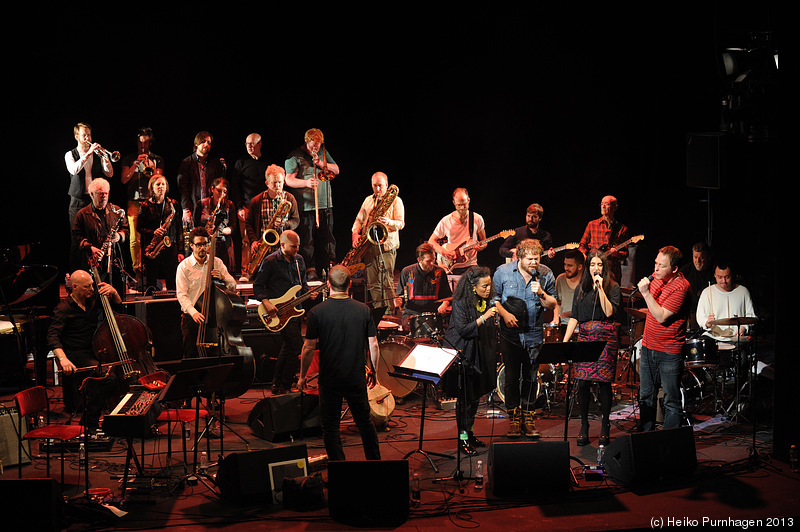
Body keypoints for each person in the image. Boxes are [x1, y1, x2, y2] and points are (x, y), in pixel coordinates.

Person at [298, 265, 381, 461]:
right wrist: (374, 371)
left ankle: (340, 470)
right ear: (350, 284)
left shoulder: (317, 312)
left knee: (331, 428)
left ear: (328, 285)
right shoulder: (363, 310)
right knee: (364, 423)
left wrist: (302, 376)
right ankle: (376, 465)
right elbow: (374, 345)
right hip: (355, 377)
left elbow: (308, 348)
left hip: (330, 380)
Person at [493, 238, 557, 438]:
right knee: (512, 376)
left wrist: (542, 294)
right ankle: (513, 418)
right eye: (529, 259)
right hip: (510, 334)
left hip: (533, 334)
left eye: (536, 258)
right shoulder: (502, 272)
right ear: (519, 257)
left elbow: (553, 304)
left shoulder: (545, 274)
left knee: (530, 377)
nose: (533, 263)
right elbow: (494, 301)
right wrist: (504, 314)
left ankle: (528, 418)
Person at [47, 270, 122, 432]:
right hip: (76, 355)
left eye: (92, 285)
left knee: (115, 374)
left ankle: (116, 420)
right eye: (87, 286)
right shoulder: (63, 308)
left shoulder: (92, 300)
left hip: (95, 350)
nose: (91, 289)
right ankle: (90, 422)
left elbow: (117, 308)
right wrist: (63, 359)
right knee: (106, 378)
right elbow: (53, 336)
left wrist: (114, 293)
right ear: (74, 287)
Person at [562, 251, 621, 446]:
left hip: (605, 339)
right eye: (593, 264)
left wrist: (600, 289)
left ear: (605, 267)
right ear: (588, 267)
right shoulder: (581, 288)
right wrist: (565, 341)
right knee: (583, 383)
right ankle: (584, 425)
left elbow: (609, 311)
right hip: (586, 337)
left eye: (600, 265)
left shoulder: (613, 287)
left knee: (604, 383)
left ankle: (605, 425)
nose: (596, 268)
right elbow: (575, 316)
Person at [442, 266, 498, 455]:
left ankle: (470, 432)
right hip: (464, 354)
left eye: (489, 285)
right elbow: (464, 330)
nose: (488, 289)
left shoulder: (486, 302)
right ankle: (462, 438)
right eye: (484, 286)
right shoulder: (460, 303)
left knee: (474, 398)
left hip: (479, 353)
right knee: (464, 400)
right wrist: (484, 318)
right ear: (473, 286)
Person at [636, 245, 692, 431]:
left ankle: (668, 444)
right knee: (646, 396)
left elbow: (661, 316)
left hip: (669, 352)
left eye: (661, 266)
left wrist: (645, 293)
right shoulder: (656, 279)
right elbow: (652, 309)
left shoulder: (681, 287)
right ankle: (646, 439)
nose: (656, 269)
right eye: (655, 263)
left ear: (674, 269)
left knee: (671, 400)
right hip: (649, 347)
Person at [252, 230, 312, 395]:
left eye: (298, 246)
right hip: (279, 311)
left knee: (288, 346)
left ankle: (276, 384)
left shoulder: (299, 260)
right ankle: (285, 385)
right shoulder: (270, 261)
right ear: (282, 245)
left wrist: (310, 293)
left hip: (295, 311)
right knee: (296, 346)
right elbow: (257, 285)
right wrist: (266, 302)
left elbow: (303, 284)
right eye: (293, 247)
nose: (297, 250)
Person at [284, 128, 340, 280]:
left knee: (328, 238)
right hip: (306, 206)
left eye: (318, 145)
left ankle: (330, 266)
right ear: (306, 141)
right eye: (313, 145)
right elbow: (288, 179)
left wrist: (321, 163)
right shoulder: (295, 156)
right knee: (307, 240)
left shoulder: (323, 153)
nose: (315, 148)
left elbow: (336, 170)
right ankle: (310, 269)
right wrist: (306, 182)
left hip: (325, 204)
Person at [175, 226, 237, 358]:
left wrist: (223, 277)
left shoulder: (217, 262)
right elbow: (181, 295)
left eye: (205, 244)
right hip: (192, 318)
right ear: (191, 245)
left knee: (214, 355)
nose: (202, 248)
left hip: (215, 317)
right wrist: (194, 313)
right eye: (198, 245)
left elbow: (233, 286)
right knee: (191, 355)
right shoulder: (184, 267)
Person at [350, 172, 405, 315]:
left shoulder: (396, 200)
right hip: (369, 246)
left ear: (386, 185)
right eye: (375, 185)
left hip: (387, 247)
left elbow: (401, 223)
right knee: (374, 283)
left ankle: (389, 314)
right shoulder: (368, 200)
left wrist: (389, 223)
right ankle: (379, 314)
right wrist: (355, 234)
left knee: (387, 281)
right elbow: (359, 220)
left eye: (380, 185)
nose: (378, 189)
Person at [71, 178, 129, 297]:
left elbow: (126, 231)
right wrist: (91, 248)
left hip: (114, 261)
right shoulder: (82, 214)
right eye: (100, 193)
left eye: (106, 193)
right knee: (97, 296)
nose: (104, 196)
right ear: (92, 194)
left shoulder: (116, 210)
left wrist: (119, 236)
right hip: (93, 262)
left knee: (117, 294)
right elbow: (76, 237)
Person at [120, 127, 166, 277]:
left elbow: (158, 179)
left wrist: (151, 166)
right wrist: (135, 165)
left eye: (146, 143)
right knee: (134, 238)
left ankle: (151, 270)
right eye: (140, 143)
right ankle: (137, 271)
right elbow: (124, 179)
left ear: (150, 143)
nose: (143, 146)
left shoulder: (157, 159)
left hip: (150, 201)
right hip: (133, 201)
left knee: (151, 236)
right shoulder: (129, 158)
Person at [244, 164, 299, 279]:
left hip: (283, 247)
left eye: (280, 182)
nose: (278, 186)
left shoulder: (289, 198)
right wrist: (253, 241)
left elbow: (296, 220)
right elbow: (249, 223)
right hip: (265, 245)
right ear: (267, 183)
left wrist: (286, 224)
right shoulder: (257, 200)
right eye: (274, 183)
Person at [231, 133, 269, 280]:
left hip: (264, 205)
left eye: (252, 144)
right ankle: (247, 271)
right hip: (247, 205)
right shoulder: (241, 163)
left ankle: (264, 271)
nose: (250, 147)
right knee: (247, 240)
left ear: (260, 144)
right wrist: (240, 207)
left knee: (265, 239)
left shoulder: (267, 162)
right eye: (247, 144)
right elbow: (235, 187)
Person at [65, 122, 114, 233]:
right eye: (84, 135)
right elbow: (73, 170)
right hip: (78, 199)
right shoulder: (70, 154)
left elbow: (109, 174)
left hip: (95, 199)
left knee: (96, 232)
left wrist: (105, 158)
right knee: (77, 234)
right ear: (76, 137)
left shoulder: (96, 154)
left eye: (89, 135)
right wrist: (88, 154)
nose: (88, 138)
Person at [138, 171, 181, 291]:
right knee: (151, 279)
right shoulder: (145, 205)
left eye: (163, 184)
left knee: (172, 277)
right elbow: (139, 228)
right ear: (152, 187)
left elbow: (179, 228)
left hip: (169, 244)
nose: (161, 187)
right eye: (158, 184)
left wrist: (180, 250)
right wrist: (153, 232)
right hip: (153, 246)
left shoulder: (173, 204)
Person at [394, 243, 452, 333]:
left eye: (434, 260)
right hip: (412, 313)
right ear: (419, 260)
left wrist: (444, 304)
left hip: (434, 313)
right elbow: (400, 296)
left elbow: (447, 296)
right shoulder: (407, 272)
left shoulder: (440, 272)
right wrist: (398, 301)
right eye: (429, 261)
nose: (432, 263)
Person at [428, 188, 487, 275]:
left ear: (469, 200)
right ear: (454, 203)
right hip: (452, 265)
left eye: (464, 204)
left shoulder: (477, 219)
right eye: (459, 205)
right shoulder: (446, 221)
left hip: (471, 264)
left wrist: (481, 247)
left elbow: (484, 241)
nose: (462, 208)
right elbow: (431, 241)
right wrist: (445, 252)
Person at [695, 260, 757, 341]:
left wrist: (743, 327)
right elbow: (700, 316)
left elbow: (751, 316)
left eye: (727, 277)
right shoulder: (707, 292)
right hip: (713, 337)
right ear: (715, 275)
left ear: (732, 275)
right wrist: (707, 322)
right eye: (720, 277)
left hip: (737, 338)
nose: (723, 281)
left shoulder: (743, 291)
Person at [177, 131, 226, 226]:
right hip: (193, 206)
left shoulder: (215, 163)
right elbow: (183, 188)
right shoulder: (186, 163)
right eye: (203, 141)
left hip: (210, 207)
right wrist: (186, 209)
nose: (206, 145)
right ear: (196, 143)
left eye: (209, 142)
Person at [578, 195, 630, 282]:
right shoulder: (592, 225)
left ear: (615, 208)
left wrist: (617, 254)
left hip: (612, 272)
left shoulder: (622, 229)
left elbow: (625, 253)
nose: (603, 206)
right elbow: (582, 245)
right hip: (593, 271)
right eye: (602, 204)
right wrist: (585, 256)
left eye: (607, 204)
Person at [194, 178, 237, 273]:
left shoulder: (229, 205)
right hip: (206, 244)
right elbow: (195, 225)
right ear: (212, 189)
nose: (222, 195)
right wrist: (205, 231)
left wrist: (220, 231)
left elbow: (233, 227)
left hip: (224, 243)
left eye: (224, 192)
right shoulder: (201, 203)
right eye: (219, 191)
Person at [499, 203, 555, 267]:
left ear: (540, 218)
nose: (530, 219)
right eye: (528, 216)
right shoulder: (517, 232)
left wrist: (550, 257)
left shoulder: (545, 236)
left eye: (534, 217)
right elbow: (502, 249)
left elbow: (546, 262)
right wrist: (513, 254)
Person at [679, 242, 714, 329]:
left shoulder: (714, 271)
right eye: (695, 257)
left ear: (708, 257)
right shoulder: (685, 270)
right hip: (692, 312)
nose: (697, 261)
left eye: (701, 258)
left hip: (710, 313)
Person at [552, 248, 585, 326]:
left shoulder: (587, 282)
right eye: (565, 264)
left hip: (582, 326)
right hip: (564, 324)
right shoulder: (560, 279)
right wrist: (556, 318)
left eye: (570, 265)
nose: (566, 268)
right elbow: (557, 302)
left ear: (580, 267)